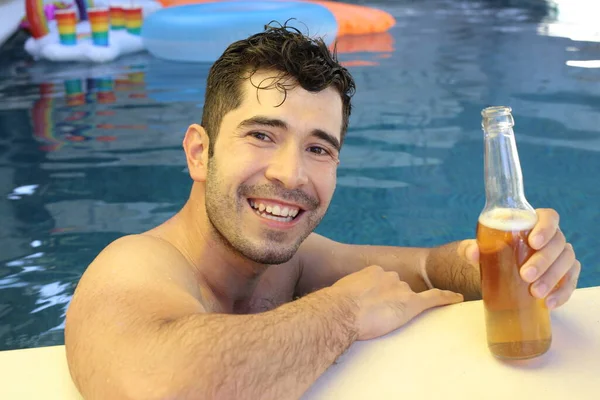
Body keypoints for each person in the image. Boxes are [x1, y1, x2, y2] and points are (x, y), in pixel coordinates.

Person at [65, 25, 581, 399]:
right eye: (262, 135)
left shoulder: (291, 262)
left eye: (319, 148)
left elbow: (425, 268)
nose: (291, 175)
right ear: (200, 153)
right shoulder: (136, 264)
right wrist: (344, 312)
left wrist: (504, 263)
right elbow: (157, 386)